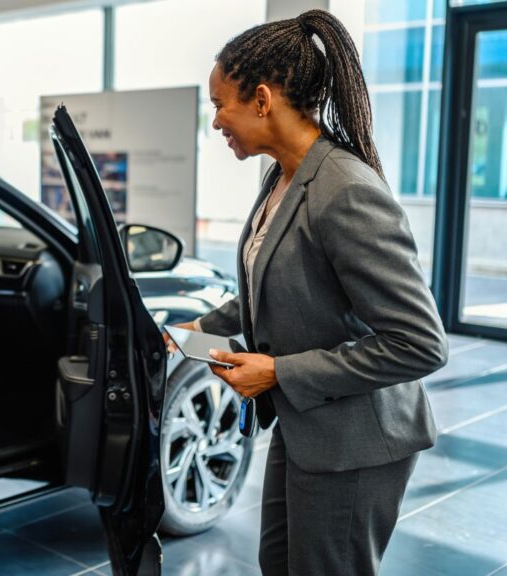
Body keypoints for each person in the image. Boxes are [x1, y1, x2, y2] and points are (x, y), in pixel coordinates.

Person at [168, 10, 448, 576]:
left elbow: (420, 344)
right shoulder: (284, 175)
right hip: (306, 427)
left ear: (263, 100)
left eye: (221, 103)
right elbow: (286, 282)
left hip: (357, 445)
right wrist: (207, 325)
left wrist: (278, 374)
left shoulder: (344, 191)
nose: (216, 120)